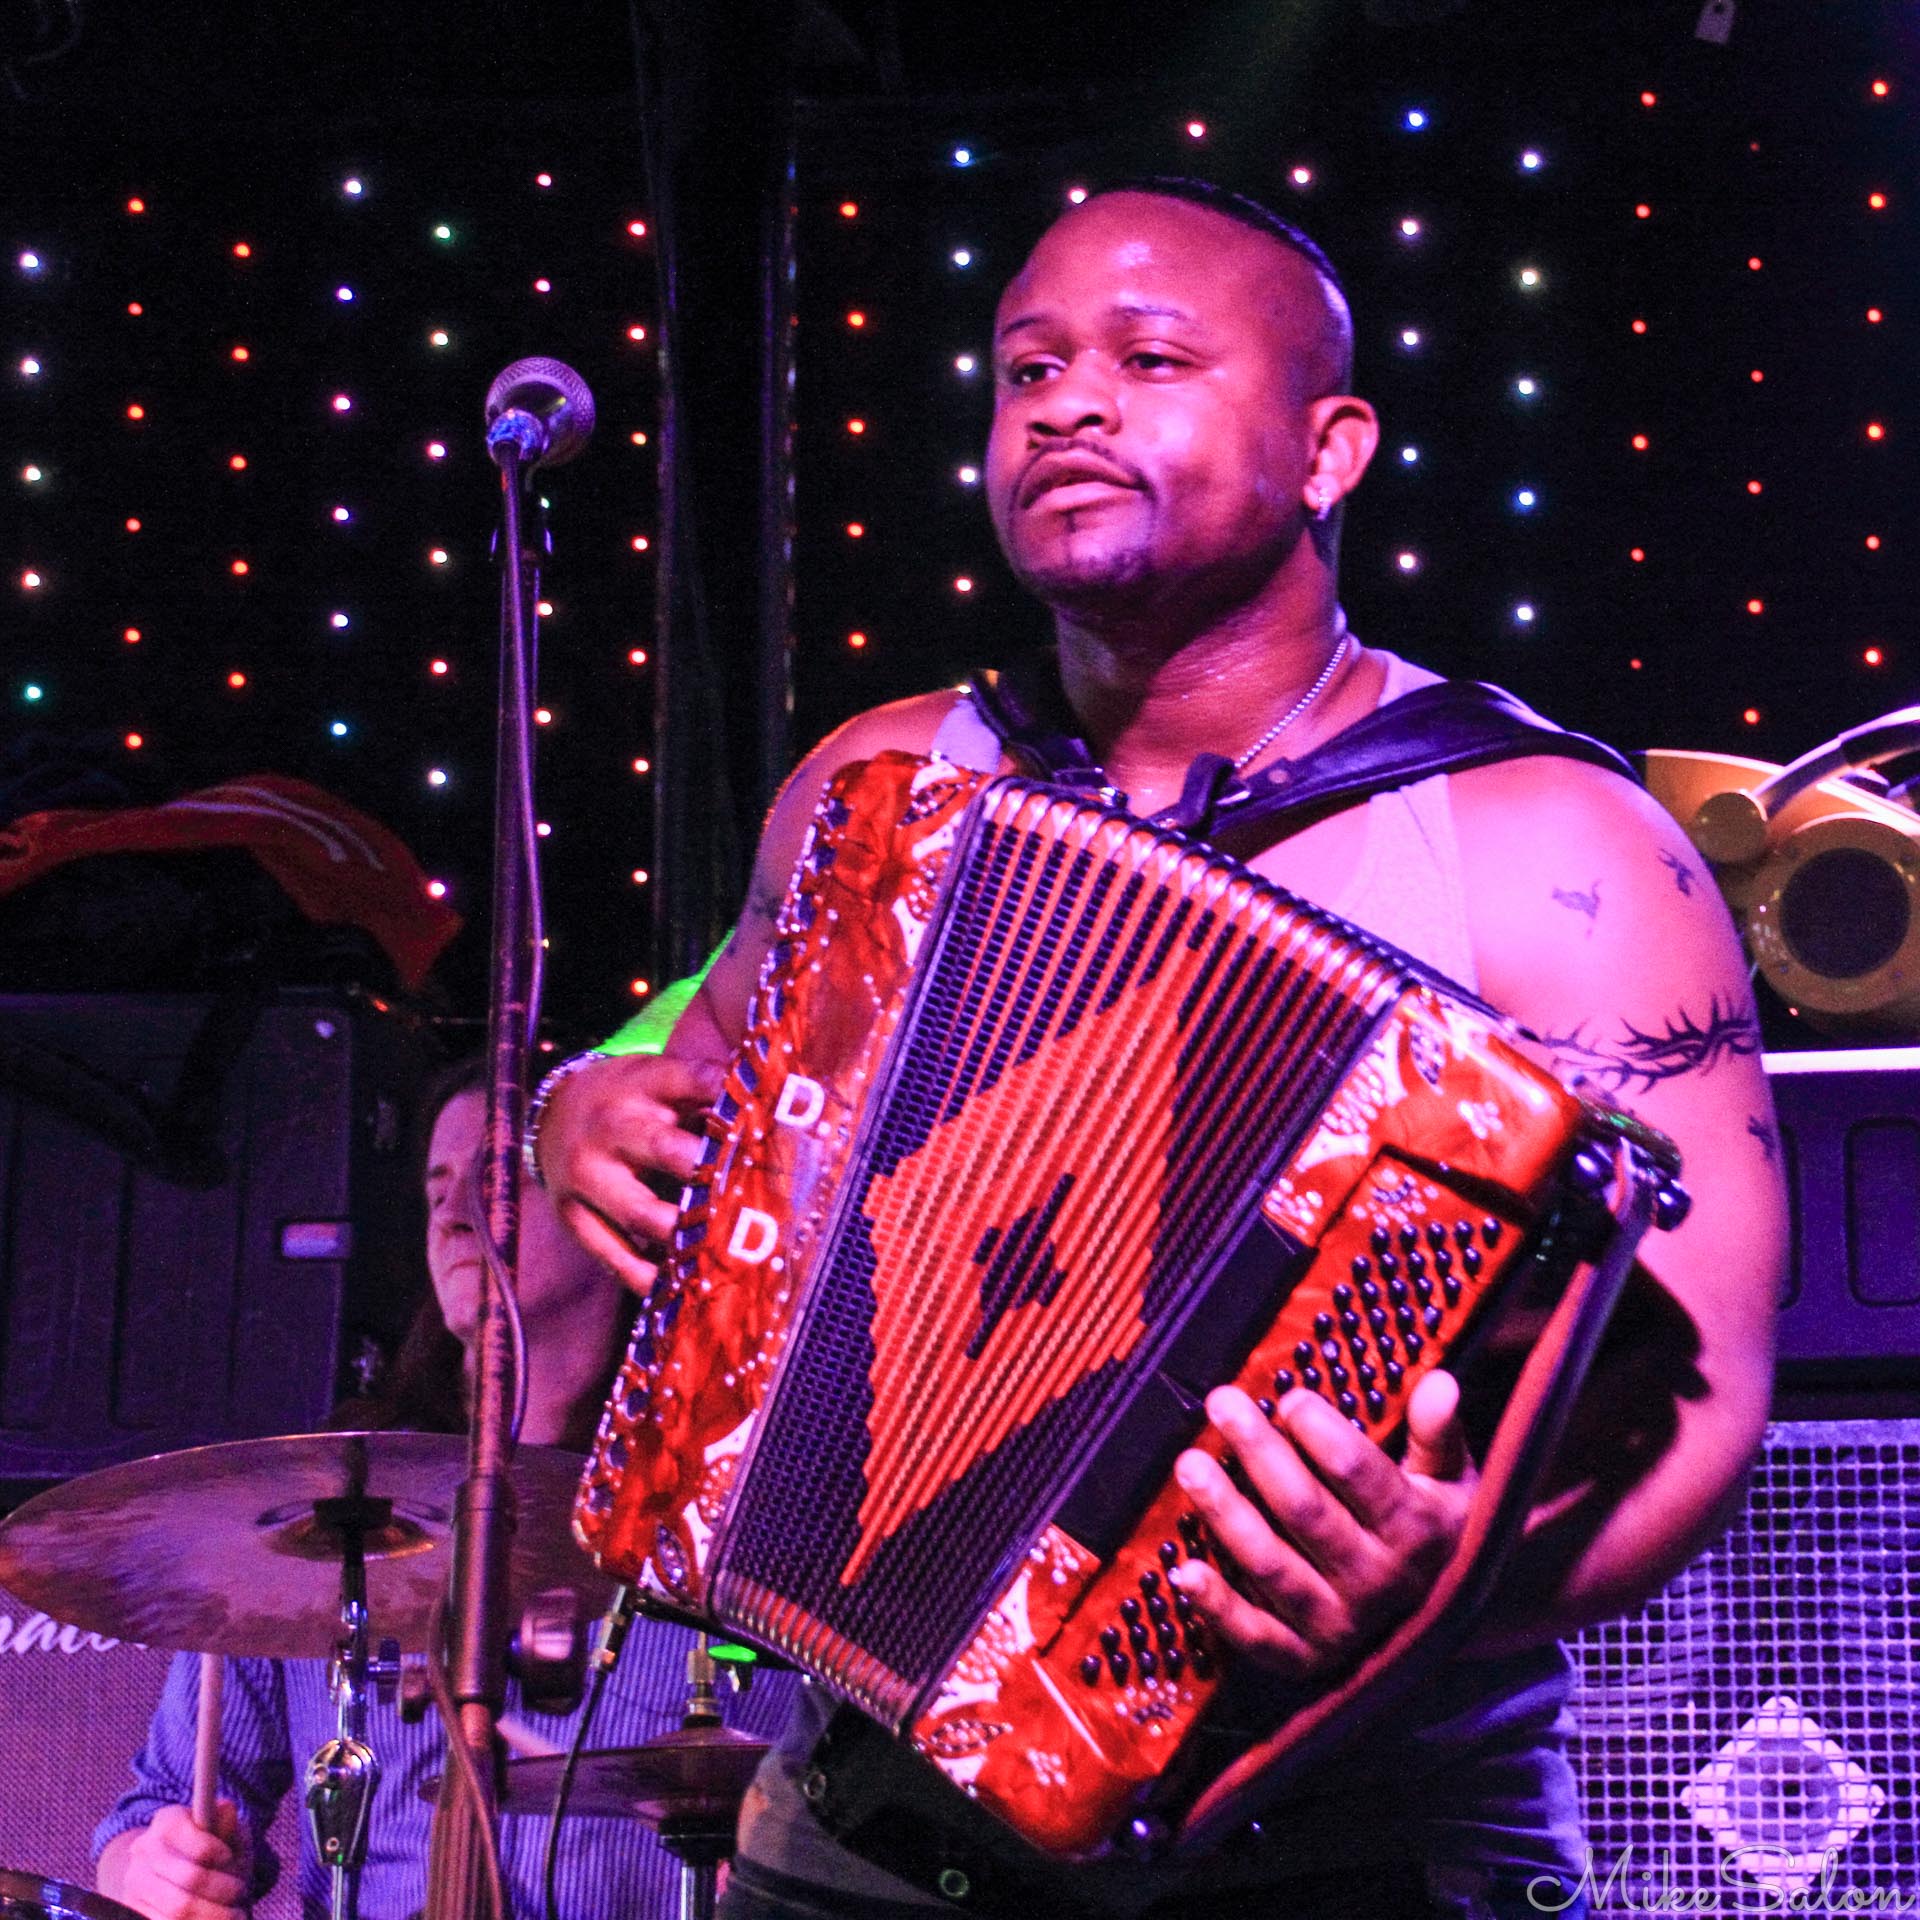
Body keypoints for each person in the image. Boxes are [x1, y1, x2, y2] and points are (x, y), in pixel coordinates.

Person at [532, 179, 1786, 1919]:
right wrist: (576, 1109)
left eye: (1153, 357)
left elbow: (1711, 1390)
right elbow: (701, 1064)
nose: (1069, 401)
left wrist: (1447, 1585)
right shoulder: (885, 789)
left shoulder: (1550, 842)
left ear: (1329, 448)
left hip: (1358, 1847)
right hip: (856, 1837)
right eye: (1026, 368)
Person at [94, 1058, 796, 1919]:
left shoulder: (732, 1511)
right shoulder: (327, 1511)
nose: (456, 1218)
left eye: (499, 1180)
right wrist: (153, 1869)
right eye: (435, 1194)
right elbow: (149, 1817)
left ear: (612, 1199)